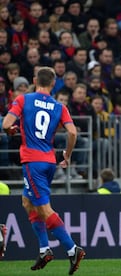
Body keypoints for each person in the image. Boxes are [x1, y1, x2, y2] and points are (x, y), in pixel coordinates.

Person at [1, 67, 85, 274]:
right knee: (27, 202)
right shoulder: (59, 106)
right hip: (48, 162)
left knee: (45, 209)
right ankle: (44, 249)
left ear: (34, 80)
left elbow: (6, 124)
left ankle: (72, 249)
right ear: (54, 84)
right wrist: (67, 155)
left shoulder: (23, 100)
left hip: (32, 162)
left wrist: (10, 130)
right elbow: (72, 132)